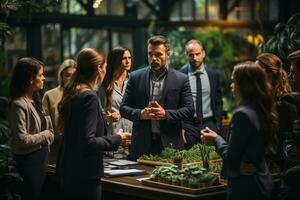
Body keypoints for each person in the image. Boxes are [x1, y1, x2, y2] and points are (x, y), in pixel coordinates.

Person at [56, 48, 130, 200]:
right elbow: (88, 142)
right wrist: (117, 138)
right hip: (84, 174)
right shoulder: (89, 96)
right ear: (99, 69)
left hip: (70, 170)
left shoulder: (74, 91)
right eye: (105, 66)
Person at [201, 61, 278, 200]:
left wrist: (216, 139)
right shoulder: (261, 109)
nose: (231, 85)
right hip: (262, 182)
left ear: (245, 85)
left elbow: (231, 157)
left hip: (247, 189)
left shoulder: (242, 114)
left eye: (234, 81)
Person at [120, 35, 194, 161]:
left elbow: (190, 110)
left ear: (168, 54)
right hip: (141, 145)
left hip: (170, 145)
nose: (153, 58)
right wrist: (141, 114)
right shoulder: (135, 77)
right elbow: (123, 108)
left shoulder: (181, 79)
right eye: (150, 54)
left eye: (158, 54)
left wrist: (166, 114)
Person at [8, 57, 54, 200]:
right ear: (30, 78)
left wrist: (47, 135)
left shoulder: (37, 101)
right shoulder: (19, 104)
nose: (44, 78)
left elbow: (51, 131)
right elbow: (21, 139)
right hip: (29, 163)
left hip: (43, 160)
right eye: (40, 75)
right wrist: (44, 135)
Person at [256, 53, 296, 170]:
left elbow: (284, 141)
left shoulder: (285, 104)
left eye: (257, 71)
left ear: (269, 73)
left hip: (279, 166)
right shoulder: (261, 101)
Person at [179, 39, 222, 149]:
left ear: (203, 53)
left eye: (197, 54)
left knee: (212, 159)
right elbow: (176, 103)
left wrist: (217, 126)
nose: (195, 58)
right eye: (191, 55)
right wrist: (180, 127)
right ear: (186, 56)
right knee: (189, 160)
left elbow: (218, 102)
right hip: (188, 125)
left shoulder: (213, 75)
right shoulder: (180, 75)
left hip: (209, 124)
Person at [42, 59, 76, 164]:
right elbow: (44, 123)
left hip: (76, 147)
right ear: (61, 76)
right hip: (56, 149)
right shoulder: (50, 95)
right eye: (67, 75)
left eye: (74, 75)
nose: (71, 79)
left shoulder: (82, 94)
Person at [100, 46, 133, 135]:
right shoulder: (105, 84)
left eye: (129, 58)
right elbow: (98, 111)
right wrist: (107, 117)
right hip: (113, 136)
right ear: (115, 61)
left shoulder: (134, 81)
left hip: (132, 135)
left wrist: (122, 113)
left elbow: (139, 107)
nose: (128, 61)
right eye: (123, 58)